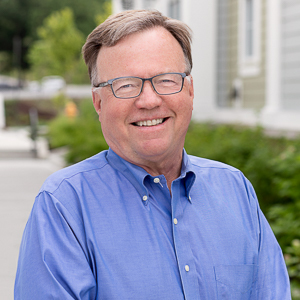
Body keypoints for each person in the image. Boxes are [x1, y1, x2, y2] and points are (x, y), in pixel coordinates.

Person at [15, 9, 291, 300]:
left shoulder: (236, 191)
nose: (148, 100)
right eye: (126, 85)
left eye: (167, 79)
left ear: (190, 91)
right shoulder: (64, 207)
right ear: (98, 102)